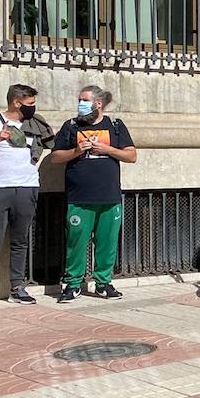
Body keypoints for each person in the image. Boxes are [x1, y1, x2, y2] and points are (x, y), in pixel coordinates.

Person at [48, 87, 138, 303]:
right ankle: (72, 284)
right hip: (79, 197)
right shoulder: (71, 126)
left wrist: (107, 150)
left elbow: (131, 155)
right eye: (79, 100)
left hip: (109, 197)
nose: (80, 103)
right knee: (76, 241)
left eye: (85, 100)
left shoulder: (115, 125)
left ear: (98, 103)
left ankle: (103, 283)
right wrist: (77, 151)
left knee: (107, 243)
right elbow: (55, 157)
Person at [0, 84, 53, 310]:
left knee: (20, 240)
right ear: (17, 103)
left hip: (27, 187)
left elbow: (51, 144)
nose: (34, 108)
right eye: (30, 104)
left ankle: (17, 288)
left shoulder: (34, 124)